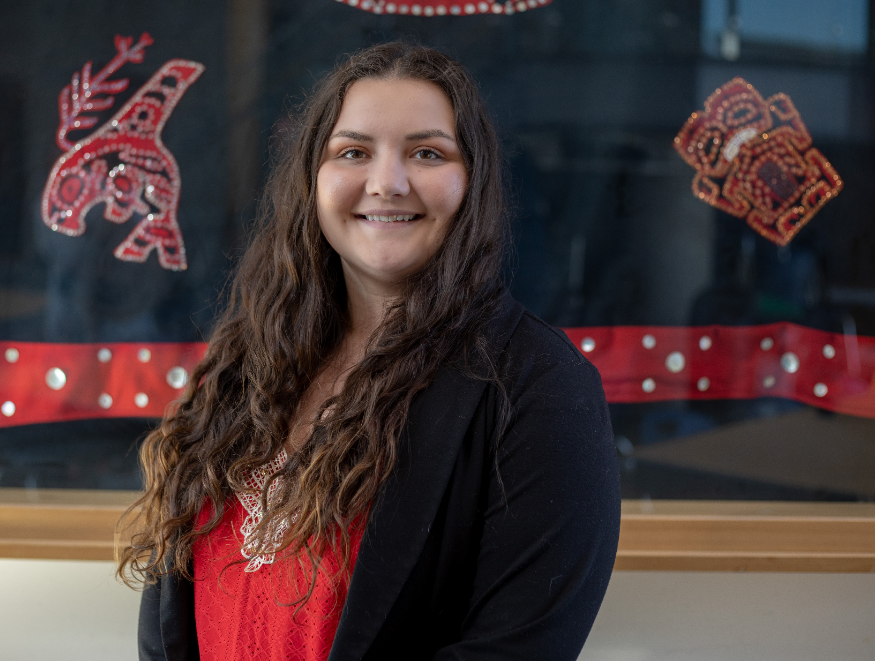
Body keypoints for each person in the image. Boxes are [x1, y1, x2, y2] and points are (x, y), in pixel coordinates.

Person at [122, 42, 620, 661]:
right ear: (313, 180)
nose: (387, 183)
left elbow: (514, 651)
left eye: (427, 153)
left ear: (473, 182)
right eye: (353, 152)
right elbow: (168, 622)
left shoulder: (542, 386)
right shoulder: (244, 362)